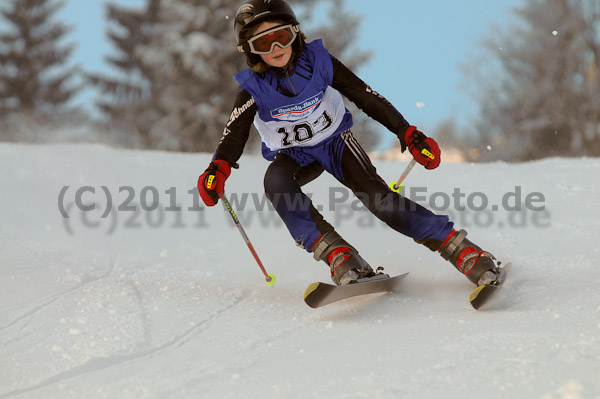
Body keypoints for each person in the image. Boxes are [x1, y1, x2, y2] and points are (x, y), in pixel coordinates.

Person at [198, 0, 502, 287]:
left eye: (281, 36)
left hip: (336, 144)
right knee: (275, 183)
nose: (276, 48)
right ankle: (338, 254)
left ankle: (461, 250)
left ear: (295, 33)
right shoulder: (253, 89)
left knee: (378, 199)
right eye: (263, 43)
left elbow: (365, 95)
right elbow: (233, 134)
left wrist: (408, 133)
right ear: (251, 52)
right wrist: (219, 168)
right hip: (294, 156)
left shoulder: (320, 62)